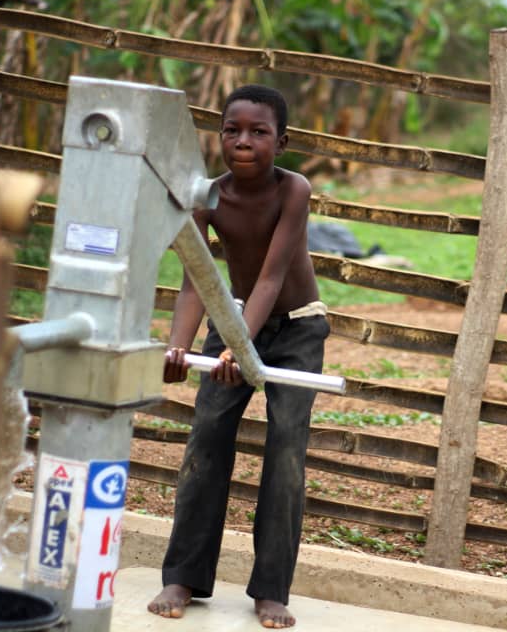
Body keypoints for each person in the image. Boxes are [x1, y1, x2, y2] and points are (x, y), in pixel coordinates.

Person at [147, 84, 329, 628]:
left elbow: (273, 276)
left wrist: (238, 346)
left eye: (258, 132)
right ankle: (183, 576)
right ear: (218, 135)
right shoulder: (205, 194)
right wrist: (179, 345)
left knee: (286, 452)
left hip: (295, 329)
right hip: (236, 319)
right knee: (206, 438)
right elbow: (193, 282)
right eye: (232, 130)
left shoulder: (293, 190)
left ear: (283, 141)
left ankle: (271, 589)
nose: (242, 141)